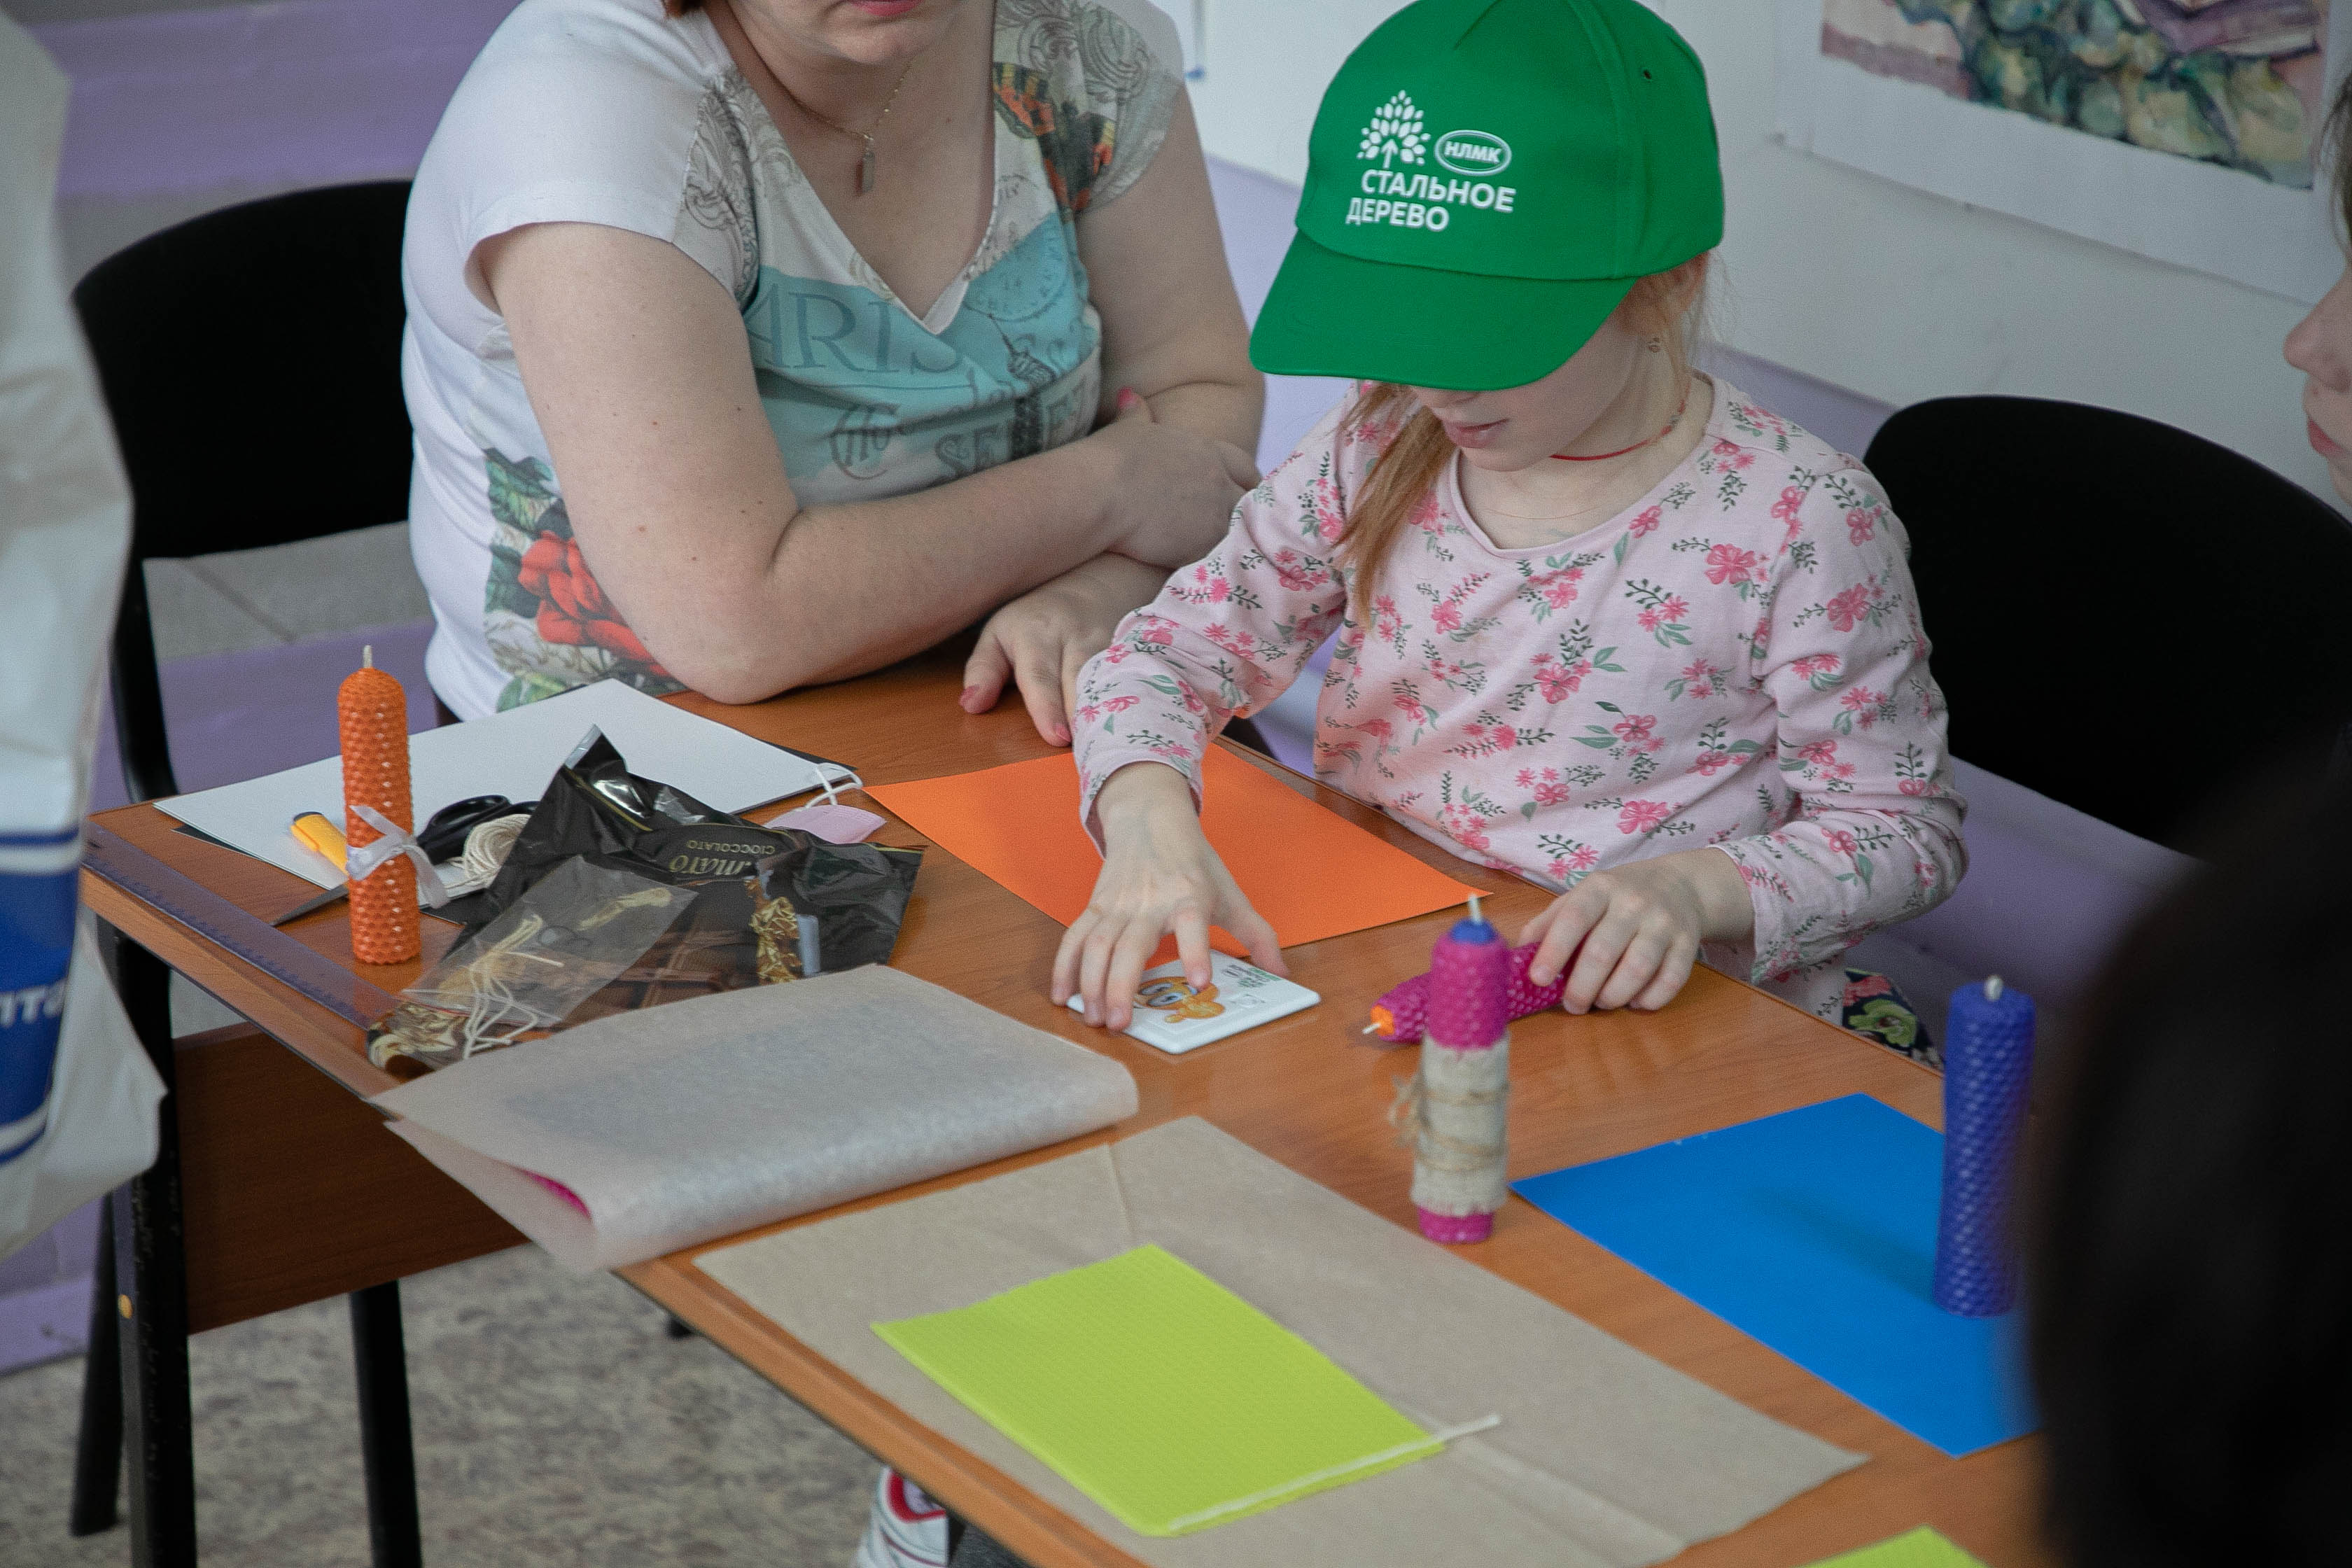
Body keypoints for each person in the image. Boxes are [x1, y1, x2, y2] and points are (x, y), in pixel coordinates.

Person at [1054, 0, 1965, 1041]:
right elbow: (1166, 655)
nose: (1438, 383)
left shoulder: (1800, 522)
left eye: (1488, 336)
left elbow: (1902, 834)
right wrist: (1144, 820)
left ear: (1664, 283)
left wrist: (1693, 891)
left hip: (1666, 1028)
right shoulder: (1379, 442)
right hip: (1388, 964)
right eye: (1406, 324)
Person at [400, 0, 1261, 746]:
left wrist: (1103, 589)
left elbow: (1201, 388)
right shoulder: (581, 118)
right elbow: (735, 627)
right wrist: (1111, 488)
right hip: (648, 757)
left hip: (1030, 683)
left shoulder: (1086, 39)